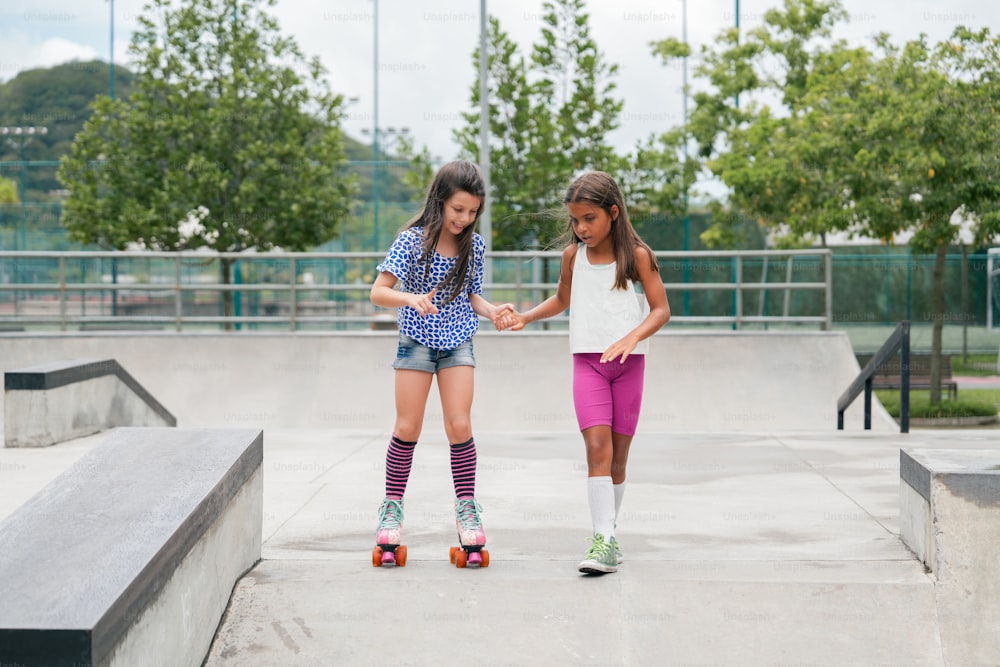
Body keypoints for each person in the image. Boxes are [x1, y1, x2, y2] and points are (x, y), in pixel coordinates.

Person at [499, 171, 670, 574]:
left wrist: (633, 337)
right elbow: (562, 299)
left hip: (630, 367)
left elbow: (662, 309)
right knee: (597, 448)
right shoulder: (573, 257)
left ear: (613, 212)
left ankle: (609, 532)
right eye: (575, 220)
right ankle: (604, 540)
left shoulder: (637, 257)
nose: (580, 228)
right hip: (588, 365)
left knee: (619, 459)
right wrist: (527, 316)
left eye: (589, 218)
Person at [369, 160, 511, 568]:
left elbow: (472, 297)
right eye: (458, 210)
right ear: (440, 202)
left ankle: (467, 508)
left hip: (457, 343)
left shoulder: (475, 246)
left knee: (459, 425)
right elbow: (379, 292)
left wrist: (493, 310)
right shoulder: (412, 242)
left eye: (472, 213)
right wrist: (411, 299)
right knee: (407, 427)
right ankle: (391, 508)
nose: (465, 220)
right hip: (415, 339)